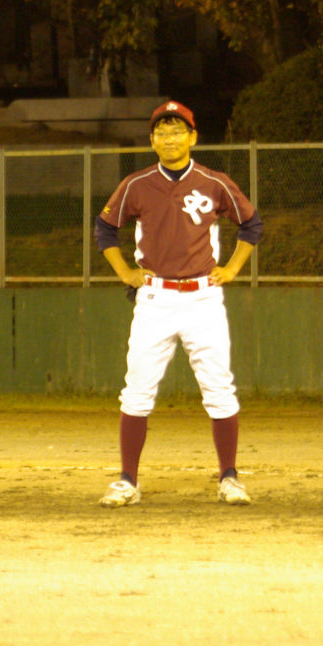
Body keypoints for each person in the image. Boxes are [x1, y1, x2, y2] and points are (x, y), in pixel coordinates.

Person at [93, 100, 264, 508]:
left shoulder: (214, 182)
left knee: (219, 388)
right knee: (137, 390)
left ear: (193, 137)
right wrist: (124, 272)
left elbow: (251, 224)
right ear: (152, 141)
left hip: (203, 297)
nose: (169, 138)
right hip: (155, 298)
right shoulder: (136, 184)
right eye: (162, 132)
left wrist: (233, 268)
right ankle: (127, 481)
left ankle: (229, 477)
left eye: (177, 131)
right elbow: (104, 228)